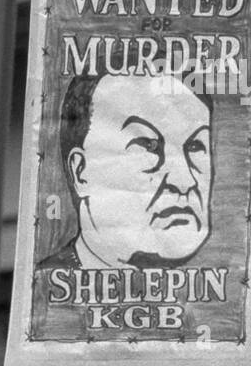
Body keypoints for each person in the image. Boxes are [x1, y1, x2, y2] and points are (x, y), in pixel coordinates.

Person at [39, 67, 214, 271]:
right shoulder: (44, 283)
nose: (184, 181)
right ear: (80, 171)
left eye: (195, 146)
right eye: (149, 146)